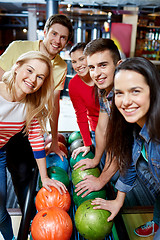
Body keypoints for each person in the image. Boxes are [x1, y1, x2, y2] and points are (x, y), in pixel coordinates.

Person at [0, 14, 73, 211]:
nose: (57, 41)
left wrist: (55, 139)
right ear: (45, 32)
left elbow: (54, 104)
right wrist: (13, 103)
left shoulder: (60, 66)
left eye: (63, 37)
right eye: (54, 33)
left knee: (24, 172)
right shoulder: (18, 48)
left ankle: (29, 216)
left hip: (24, 122)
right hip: (7, 114)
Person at [0, 51, 67, 240]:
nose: (32, 79)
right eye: (29, 70)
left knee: (0, 212)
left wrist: (44, 178)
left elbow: (36, 141)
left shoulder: (31, 105)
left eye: (40, 77)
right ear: (16, 67)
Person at [91, 57, 160, 239]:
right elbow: (128, 162)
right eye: (119, 93)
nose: (125, 101)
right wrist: (118, 200)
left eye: (135, 91)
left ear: (153, 92)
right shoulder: (134, 126)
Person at [73, 38, 121, 198]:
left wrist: (101, 180)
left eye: (103, 65)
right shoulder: (104, 91)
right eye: (92, 67)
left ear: (118, 65)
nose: (96, 73)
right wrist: (95, 160)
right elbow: (101, 128)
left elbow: (120, 147)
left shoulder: (123, 95)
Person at [68, 42, 100, 158]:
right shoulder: (74, 84)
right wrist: (87, 144)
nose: (78, 65)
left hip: (115, 128)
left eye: (82, 59)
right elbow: (81, 116)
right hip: (96, 130)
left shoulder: (101, 76)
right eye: (74, 62)